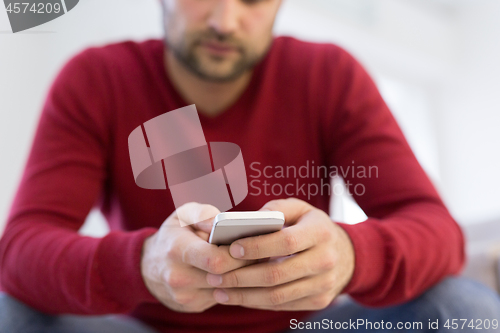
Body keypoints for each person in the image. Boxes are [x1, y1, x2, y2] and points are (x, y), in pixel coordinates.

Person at [1, 0, 500, 332]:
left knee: (463, 310)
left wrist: (350, 255)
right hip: (145, 326)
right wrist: (142, 263)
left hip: (307, 326)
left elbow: (437, 231)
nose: (225, 21)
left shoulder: (328, 75)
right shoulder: (96, 79)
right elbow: (20, 250)